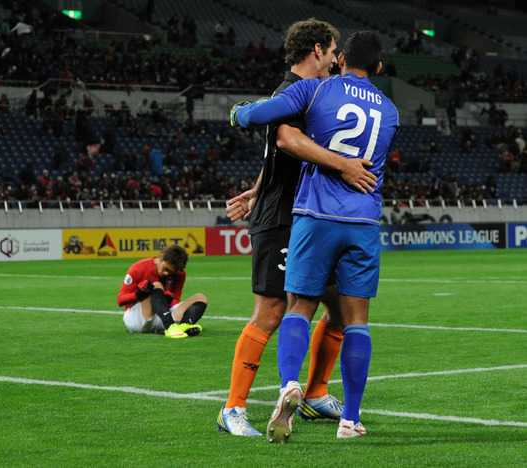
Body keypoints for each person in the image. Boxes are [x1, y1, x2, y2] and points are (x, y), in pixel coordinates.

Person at [231, 31, 399, 439]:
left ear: (340, 59)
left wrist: (237, 113)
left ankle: (292, 384)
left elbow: (265, 120)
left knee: (297, 307)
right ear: (377, 68)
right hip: (362, 221)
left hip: (314, 214)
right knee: (355, 320)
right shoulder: (391, 111)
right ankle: (350, 420)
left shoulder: (316, 90)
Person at [117, 244, 207, 339]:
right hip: (138, 319)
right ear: (161, 256)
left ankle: (183, 326)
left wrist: (166, 298)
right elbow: (120, 300)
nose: (166, 273)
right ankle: (170, 327)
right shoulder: (139, 268)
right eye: (166, 269)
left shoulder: (180, 274)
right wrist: (138, 294)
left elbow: (176, 299)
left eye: (171, 272)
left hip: (161, 317)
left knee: (201, 298)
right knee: (156, 285)